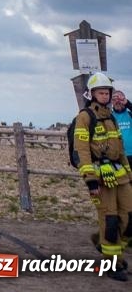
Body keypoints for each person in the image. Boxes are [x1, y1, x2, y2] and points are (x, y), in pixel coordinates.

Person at [74, 72, 132, 280]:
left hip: (122, 176)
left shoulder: (112, 117)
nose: (105, 96)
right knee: (111, 221)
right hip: (100, 178)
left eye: (107, 92)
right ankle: (113, 264)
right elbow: (81, 150)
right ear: (92, 94)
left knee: (129, 218)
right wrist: (90, 180)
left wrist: (128, 171)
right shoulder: (85, 117)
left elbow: (121, 148)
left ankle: (102, 242)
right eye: (101, 92)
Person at [113, 90, 132, 166]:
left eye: (120, 99)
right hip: (119, 156)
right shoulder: (109, 116)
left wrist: (128, 104)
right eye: (114, 99)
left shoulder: (130, 114)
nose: (118, 101)